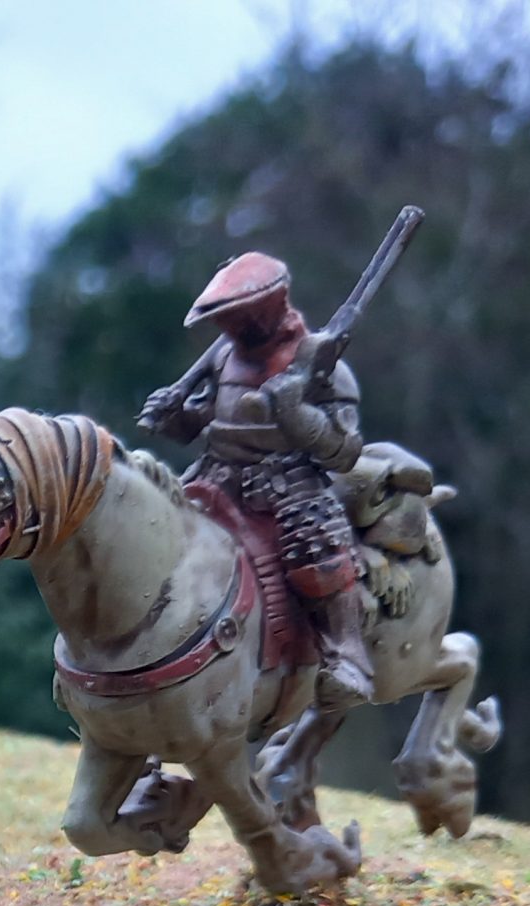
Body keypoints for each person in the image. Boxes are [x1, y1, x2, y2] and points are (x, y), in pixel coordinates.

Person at [139, 252, 373, 792]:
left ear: (270, 308)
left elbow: (344, 450)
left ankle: (346, 652)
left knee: (315, 541)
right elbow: (203, 420)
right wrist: (172, 416)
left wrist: (296, 412)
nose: (231, 329)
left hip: (287, 484)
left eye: (240, 318)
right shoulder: (223, 355)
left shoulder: (321, 364)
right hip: (213, 476)